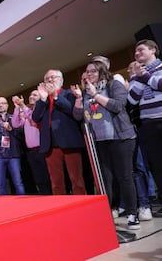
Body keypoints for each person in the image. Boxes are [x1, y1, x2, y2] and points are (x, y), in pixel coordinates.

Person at [72, 60, 140, 230]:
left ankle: (133, 213)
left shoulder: (113, 84)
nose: (89, 74)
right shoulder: (87, 91)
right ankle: (107, 213)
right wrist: (80, 99)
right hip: (100, 141)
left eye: (93, 71)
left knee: (124, 176)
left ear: (102, 71)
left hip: (121, 137)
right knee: (106, 179)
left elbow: (118, 106)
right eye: (87, 72)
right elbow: (79, 116)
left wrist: (96, 95)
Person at [32, 69, 86, 195]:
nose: (50, 80)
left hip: (69, 141)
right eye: (47, 79)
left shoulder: (70, 94)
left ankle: (81, 206)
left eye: (53, 77)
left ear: (61, 80)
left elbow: (73, 111)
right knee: (56, 181)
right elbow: (35, 118)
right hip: (50, 144)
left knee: (76, 179)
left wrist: (56, 96)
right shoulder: (43, 99)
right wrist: (43, 100)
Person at [128, 39, 162, 218]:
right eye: (135, 52)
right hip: (148, 124)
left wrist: (146, 77)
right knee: (157, 164)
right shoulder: (135, 75)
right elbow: (133, 98)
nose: (137, 53)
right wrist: (141, 78)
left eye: (140, 50)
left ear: (153, 50)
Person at [11, 91, 52, 195]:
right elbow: (15, 124)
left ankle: (52, 196)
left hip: (42, 149)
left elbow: (33, 119)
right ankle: (44, 196)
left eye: (34, 95)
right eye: (30, 95)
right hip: (31, 151)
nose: (31, 96)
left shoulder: (41, 111)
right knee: (38, 178)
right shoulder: (26, 111)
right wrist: (16, 107)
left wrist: (23, 105)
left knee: (47, 176)